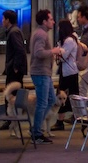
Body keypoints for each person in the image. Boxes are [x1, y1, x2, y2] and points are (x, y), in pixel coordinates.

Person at [30, 9, 63, 145]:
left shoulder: (41, 33)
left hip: (45, 73)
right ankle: (37, 133)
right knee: (43, 103)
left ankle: (36, 128)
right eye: (50, 19)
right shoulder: (41, 35)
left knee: (51, 99)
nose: (53, 22)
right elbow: (38, 53)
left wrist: (52, 53)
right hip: (40, 73)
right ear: (44, 21)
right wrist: (53, 51)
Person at [51, 19, 81, 131]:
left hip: (69, 72)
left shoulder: (69, 40)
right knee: (72, 95)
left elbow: (63, 56)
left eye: (59, 27)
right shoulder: (70, 39)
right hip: (68, 71)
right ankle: (75, 118)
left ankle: (60, 121)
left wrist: (57, 51)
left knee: (64, 95)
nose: (58, 29)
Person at [1, 9, 27, 129]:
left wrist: (16, 67)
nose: (2, 21)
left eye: (3, 19)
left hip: (14, 69)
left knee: (11, 94)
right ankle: (12, 119)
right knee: (13, 95)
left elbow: (20, 50)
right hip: (13, 68)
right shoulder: (14, 31)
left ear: (8, 20)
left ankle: (11, 120)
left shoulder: (13, 32)